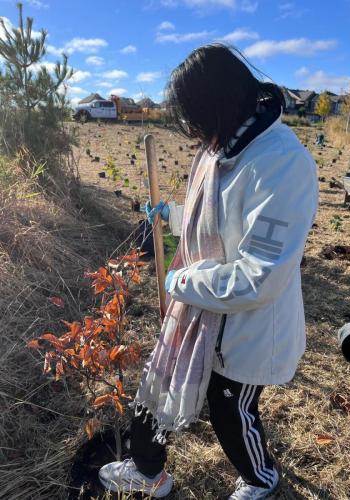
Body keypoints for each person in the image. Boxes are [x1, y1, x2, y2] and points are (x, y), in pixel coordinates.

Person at [99, 43, 319, 499]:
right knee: (156, 386)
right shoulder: (222, 147)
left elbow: (261, 272)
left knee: (229, 409)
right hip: (203, 311)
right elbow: (219, 222)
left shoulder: (281, 163)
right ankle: (148, 472)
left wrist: (180, 281)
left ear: (221, 103)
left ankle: (261, 479)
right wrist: (174, 217)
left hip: (251, 325)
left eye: (196, 118)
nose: (195, 132)